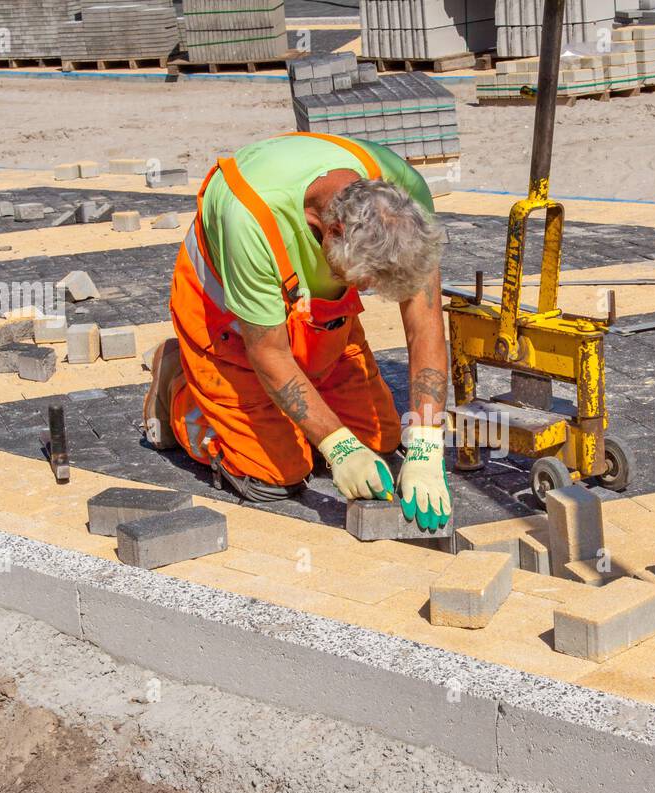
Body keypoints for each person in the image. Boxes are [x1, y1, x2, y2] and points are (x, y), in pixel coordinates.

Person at [143, 132, 451, 530]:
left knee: (381, 444)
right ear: (328, 231)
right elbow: (269, 353)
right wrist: (339, 448)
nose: (367, 292)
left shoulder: (404, 194)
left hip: (318, 318)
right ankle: (180, 384)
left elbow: (425, 326)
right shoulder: (250, 221)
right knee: (273, 474)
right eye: (364, 281)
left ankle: (300, 407)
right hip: (230, 327)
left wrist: (426, 444)